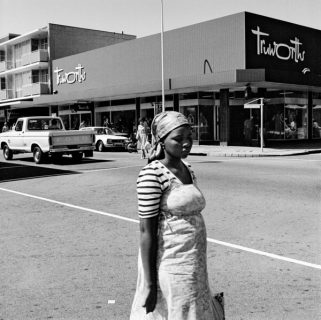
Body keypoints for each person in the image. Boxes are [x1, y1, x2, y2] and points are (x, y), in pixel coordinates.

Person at [130, 111, 224, 320]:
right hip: (171, 264)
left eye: (189, 137)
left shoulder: (187, 169)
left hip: (194, 261)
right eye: (178, 139)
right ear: (162, 141)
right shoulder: (151, 174)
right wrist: (150, 284)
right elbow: (146, 232)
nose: (186, 143)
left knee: (196, 311)